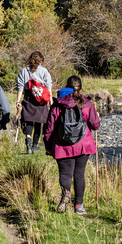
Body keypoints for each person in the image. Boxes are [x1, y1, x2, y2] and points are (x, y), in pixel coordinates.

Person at [44, 75, 100, 215]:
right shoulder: (86, 103)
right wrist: (96, 116)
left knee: (65, 173)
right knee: (79, 174)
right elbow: (95, 125)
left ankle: (66, 194)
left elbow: (49, 128)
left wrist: (48, 146)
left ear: (67, 87)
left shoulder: (58, 104)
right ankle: (79, 206)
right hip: (83, 144)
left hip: (62, 145)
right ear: (81, 88)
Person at [14, 51, 52, 153]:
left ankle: (28, 140)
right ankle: (35, 145)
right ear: (41, 61)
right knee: (39, 123)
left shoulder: (23, 71)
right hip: (41, 99)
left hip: (28, 98)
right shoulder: (44, 71)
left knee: (29, 121)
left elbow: (20, 87)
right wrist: (50, 101)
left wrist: (18, 101)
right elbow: (48, 88)